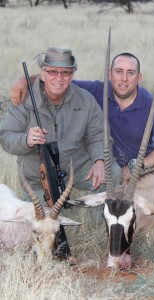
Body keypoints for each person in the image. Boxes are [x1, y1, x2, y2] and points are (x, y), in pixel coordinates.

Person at [0, 46, 121, 260]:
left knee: (111, 171)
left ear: (72, 74)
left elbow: (99, 136)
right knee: (46, 224)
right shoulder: (22, 100)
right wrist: (26, 140)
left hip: (76, 165)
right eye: (53, 72)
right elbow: (5, 137)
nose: (59, 78)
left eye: (65, 72)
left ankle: (98, 227)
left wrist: (100, 160)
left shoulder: (85, 100)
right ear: (43, 73)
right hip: (38, 177)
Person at [10, 52, 154, 181]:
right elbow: (59, 81)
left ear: (139, 77)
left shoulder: (151, 104)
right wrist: (24, 80)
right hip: (108, 168)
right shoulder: (95, 90)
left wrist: (135, 167)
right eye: (119, 71)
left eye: (130, 73)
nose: (124, 79)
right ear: (109, 74)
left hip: (140, 169)